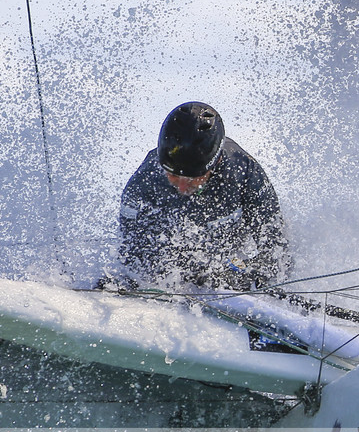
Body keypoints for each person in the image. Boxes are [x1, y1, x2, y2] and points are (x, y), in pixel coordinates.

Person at [118, 101, 290, 292]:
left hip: (228, 264)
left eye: (193, 178)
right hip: (169, 261)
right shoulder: (144, 182)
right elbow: (131, 252)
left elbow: (275, 244)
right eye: (174, 176)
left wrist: (262, 279)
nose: (183, 187)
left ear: (215, 163)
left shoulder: (244, 171)